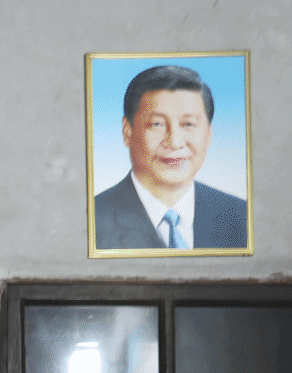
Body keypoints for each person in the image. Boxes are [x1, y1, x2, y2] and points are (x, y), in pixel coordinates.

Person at [94, 64, 249, 251]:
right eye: (157, 124)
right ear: (128, 131)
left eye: (188, 124)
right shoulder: (92, 221)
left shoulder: (241, 216)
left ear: (208, 134)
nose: (175, 142)